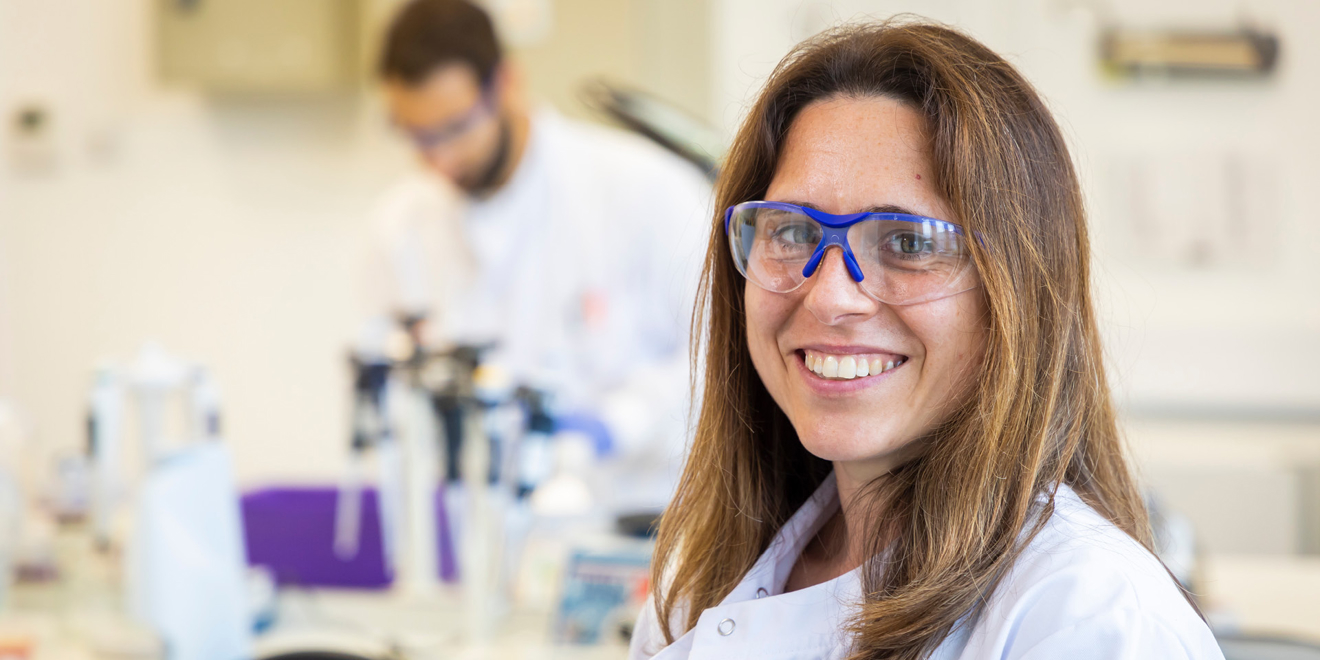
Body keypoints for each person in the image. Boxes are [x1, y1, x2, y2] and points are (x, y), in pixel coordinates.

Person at [629, 20, 1224, 660]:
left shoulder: (1088, 618)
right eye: (792, 232)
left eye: (908, 243)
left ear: (1018, 294)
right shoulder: (699, 581)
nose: (829, 296)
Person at [360, 0, 711, 511]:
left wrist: (617, 423)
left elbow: (717, 356)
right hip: (487, 525)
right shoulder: (399, 226)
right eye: (416, 135)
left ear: (505, 85)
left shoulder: (643, 191)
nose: (437, 158)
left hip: (645, 515)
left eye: (454, 129)